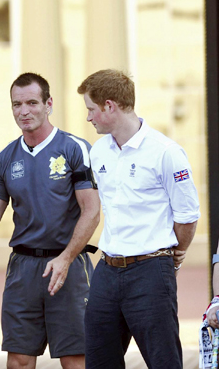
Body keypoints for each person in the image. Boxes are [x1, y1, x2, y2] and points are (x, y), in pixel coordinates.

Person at [0, 72, 100, 369]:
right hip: (23, 269)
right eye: (17, 104)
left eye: (31, 102)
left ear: (48, 104)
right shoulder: (5, 158)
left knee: (75, 360)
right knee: (18, 360)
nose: (23, 111)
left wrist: (66, 258)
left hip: (68, 266)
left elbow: (91, 210)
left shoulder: (74, 148)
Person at [77, 69, 200, 368]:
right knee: (99, 360)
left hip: (151, 271)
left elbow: (187, 216)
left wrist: (173, 257)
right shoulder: (99, 152)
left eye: (91, 110)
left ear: (110, 106)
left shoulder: (166, 152)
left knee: (163, 361)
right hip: (106, 270)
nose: (89, 118)